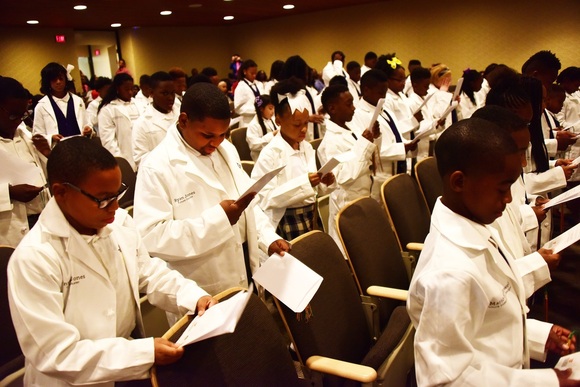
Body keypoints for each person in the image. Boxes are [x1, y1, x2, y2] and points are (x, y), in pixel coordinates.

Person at [7, 136, 216, 387]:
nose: (116, 207)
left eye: (119, 194)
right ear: (61, 192)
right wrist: (143, 354)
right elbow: (56, 355)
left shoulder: (119, 224)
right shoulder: (34, 258)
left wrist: (193, 297)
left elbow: (149, 272)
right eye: (104, 199)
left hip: (126, 362)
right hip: (72, 380)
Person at [407, 118, 578, 386]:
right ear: (459, 182)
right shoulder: (449, 273)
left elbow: (489, 321)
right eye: (502, 188)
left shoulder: (476, 224)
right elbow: (447, 379)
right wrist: (550, 381)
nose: (509, 199)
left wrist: (536, 335)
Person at [134, 83, 290, 304]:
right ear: (184, 120)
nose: (215, 143)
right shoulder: (156, 166)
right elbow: (151, 238)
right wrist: (219, 220)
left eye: (222, 134)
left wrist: (268, 239)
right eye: (208, 135)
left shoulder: (226, 149)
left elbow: (249, 205)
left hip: (246, 267)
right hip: (203, 286)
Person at [251, 79, 335, 241]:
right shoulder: (270, 153)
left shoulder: (307, 148)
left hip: (310, 216)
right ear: (278, 121)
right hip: (284, 220)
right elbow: (264, 198)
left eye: (305, 123)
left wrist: (324, 182)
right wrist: (305, 183)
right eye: (297, 124)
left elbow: (312, 193)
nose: (303, 129)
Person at [318, 84, 378, 250]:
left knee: (367, 250)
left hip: (362, 197)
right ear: (332, 108)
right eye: (349, 104)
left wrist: (373, 138)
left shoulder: (350, 128)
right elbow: (343, 176)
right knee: (352, 253)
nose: (353, 108)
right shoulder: (329, 142)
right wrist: (364, 144)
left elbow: (364, 158)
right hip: (347, 205)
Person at [350, 69, 417, 202]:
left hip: (398, 171)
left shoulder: (385, 110)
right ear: (366, 90)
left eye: (385, 92)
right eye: (380, 92)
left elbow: (397, 137)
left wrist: (409, 144)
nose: (384, 97)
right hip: (379, 178)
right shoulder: (357, 115)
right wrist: (402, 149)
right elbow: (367, 151)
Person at [0, 77, 50, 247]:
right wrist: (9, 193)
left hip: (39, 220)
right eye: (14, 115)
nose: (19, 121)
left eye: (24, 115)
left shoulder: (25, 136)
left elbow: (45, 176)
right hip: (8, 229)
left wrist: (46, 154)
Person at [33, 62, 93, 147]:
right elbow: (37, 135)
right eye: (54, 79)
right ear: (48, 82)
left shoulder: (78, 101)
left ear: (66, 79)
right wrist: (51, 137)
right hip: (58, 150)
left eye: (61, 78)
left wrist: (88, 129)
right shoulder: (41, 106)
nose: (58, 82)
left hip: (81, 146)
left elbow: (87, 123)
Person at [132, 71, 179, 169]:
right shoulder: (142, 123)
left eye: (172, 93)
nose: (170, 98)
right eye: (165, 93)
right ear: (151, 93)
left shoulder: (182, 116)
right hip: (160, 175)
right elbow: (141, 159)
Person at [97, 73, 140, 171]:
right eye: (126, 89)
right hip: (125, 158)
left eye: (131, 89)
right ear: (117, 89)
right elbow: (108, 141)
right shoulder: (108, 109)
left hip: (142, 157)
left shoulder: (140, 105)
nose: (130, 92)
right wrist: (121, 161)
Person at [279, 55, 324, 140]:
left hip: (310, 131)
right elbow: (285, 116)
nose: (306, 76)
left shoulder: (305, 89)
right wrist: (308, 118)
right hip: (295, 135)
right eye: (305, 73)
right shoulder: (284, 91)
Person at [246, 94, 278, 161]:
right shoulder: (253, 125)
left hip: (275, 155)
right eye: (270, 108)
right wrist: (272, 134)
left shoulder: (272, 119)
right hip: (261, 159)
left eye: (274, 108)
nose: (273, 111)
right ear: (261, 109)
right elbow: (253, 145)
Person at [233, 59, 263, 126]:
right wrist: (255, 110)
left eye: (255, 73)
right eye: (252, 73)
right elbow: (238, 109)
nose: (254, 76)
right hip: (248, 121)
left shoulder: (259, 84)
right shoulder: (241, 87)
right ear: (245, 72)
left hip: (261, 118)